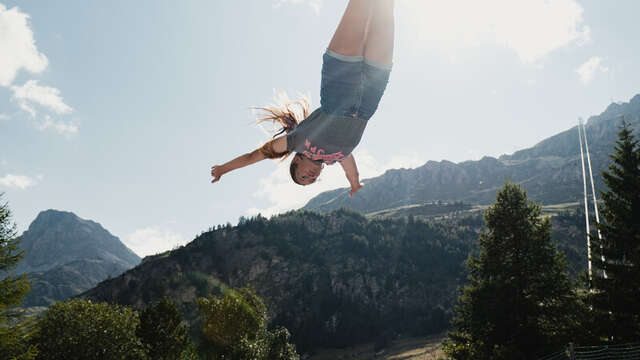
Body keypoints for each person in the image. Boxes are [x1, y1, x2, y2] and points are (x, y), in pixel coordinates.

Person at [210, 0, 394, 197]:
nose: (311, 177)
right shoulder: (337, 157)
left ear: (296, 161)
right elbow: (351, 171)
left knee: (362, 6)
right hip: (369, 99)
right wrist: (355, 184)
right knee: (385, 9)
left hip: (339, 91)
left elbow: (253, 156)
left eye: (303, 177)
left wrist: (223, 169)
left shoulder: (296, 143)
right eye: (312, 180)